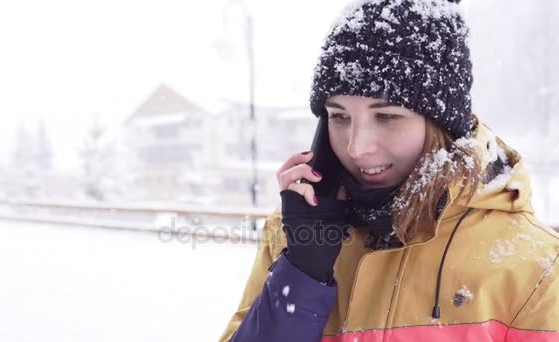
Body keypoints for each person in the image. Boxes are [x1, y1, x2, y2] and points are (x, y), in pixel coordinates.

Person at [219, 0, 559, 340]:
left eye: (387, 116)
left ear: (442, 124)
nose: (356, 147)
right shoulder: (291, 233)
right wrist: (302, 273)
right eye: (339, 116)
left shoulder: (535, 266)